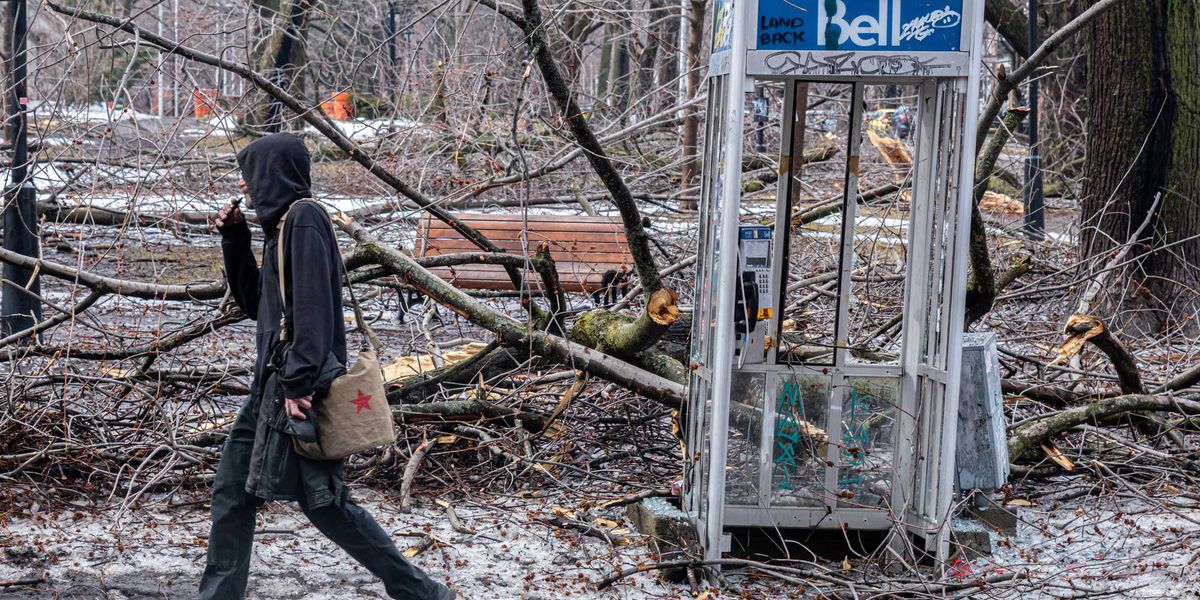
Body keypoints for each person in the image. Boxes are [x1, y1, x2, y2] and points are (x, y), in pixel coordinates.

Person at [201, 133, 455, 600]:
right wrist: (235, 239)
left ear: (270, 174)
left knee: (326, 504)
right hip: (272, 389)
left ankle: (424, 593)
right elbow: (259, 305)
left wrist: (299, 384)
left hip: (295, 392)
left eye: (250, 173)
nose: (244, 184)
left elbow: (318, 310)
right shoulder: (281, 229)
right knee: (232, 495)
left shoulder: (305, 220)